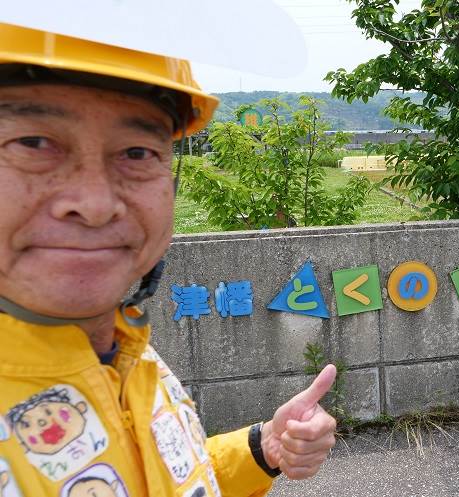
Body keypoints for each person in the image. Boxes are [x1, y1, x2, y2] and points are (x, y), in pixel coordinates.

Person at [0, 22, 337, 497]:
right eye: (33, 144)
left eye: (137, 152)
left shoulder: (128, 351)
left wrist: (262, 449)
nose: (96, 203)